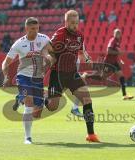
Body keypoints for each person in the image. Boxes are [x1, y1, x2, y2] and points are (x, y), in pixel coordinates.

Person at [45, 10, 100, 142]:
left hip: (72, 74)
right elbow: (48, 49)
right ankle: (43, 98)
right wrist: (49, 59)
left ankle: (91, 135)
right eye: (72, 23)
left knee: (87, 100)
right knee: (53, 107)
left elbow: (81, 51)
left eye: (77, 23)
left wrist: (87, 59)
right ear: (66, 22)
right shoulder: (60, 34)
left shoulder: (80, 35)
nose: (75, 25)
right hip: (57, 74)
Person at [2, 17, 55, 144]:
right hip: (23, 76)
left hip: (38, 78)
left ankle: (19, 98)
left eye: (37, 28)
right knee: (29, 103)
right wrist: (6, 76)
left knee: (37, 113)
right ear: (26, 28)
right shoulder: (19, 44)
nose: (35, 31)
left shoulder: (44, 39)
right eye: (32, 29)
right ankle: (28, 138)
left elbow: (53, 54)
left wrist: (47, 64)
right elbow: (6, 62)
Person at [102, 29, 134, 100]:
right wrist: (118, 53)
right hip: (108, 62)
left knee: (121, 76)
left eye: (119, 33)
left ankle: (124, 95)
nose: (118, 34)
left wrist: (119, 60)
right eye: (116, 33)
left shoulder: (117, 41)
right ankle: (87, 77)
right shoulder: (113, 40)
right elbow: (109, 51)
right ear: (114, 34)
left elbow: (115, 54)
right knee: (102, 77)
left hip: (114, 63)